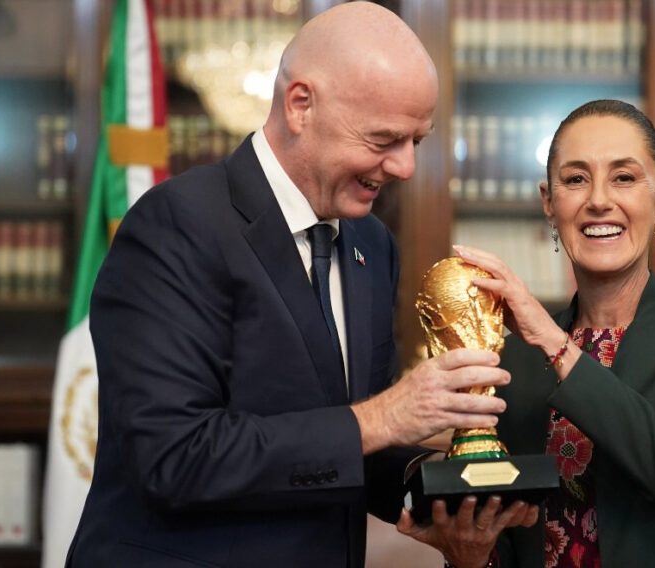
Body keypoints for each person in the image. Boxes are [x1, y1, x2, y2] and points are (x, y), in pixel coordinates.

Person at [67, 3, 535, 567]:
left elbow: (350, 445)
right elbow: (174, 456)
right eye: (384, 139)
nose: (405, 167)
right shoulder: (176, 224)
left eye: (417, 140)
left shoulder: (372, 243)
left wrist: (441, 493)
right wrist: (385, 416)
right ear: (300, 106)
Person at [440, 99, 655, 567]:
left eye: (624, 178)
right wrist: (471, 557)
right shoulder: (511, 360)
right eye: (576, 179)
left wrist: (554, 342)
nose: (598, 200)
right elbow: (505, 533)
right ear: (549, 204)